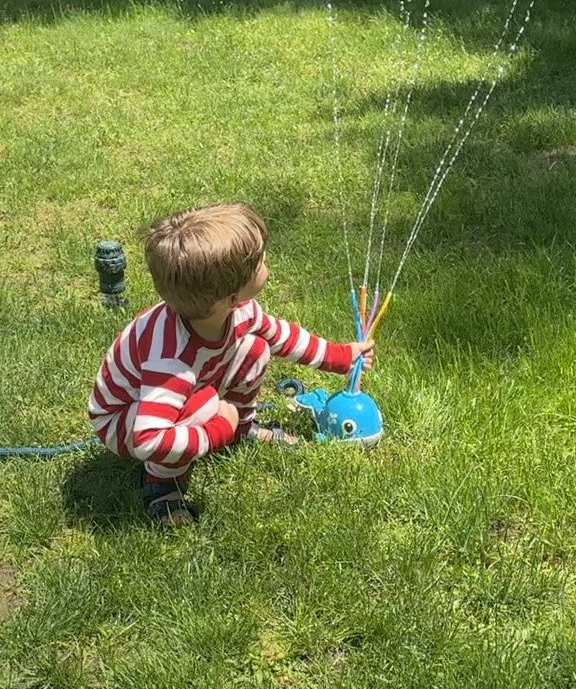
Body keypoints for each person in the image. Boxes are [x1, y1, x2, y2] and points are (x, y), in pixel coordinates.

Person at [89, 202, 373, 527]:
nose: (266, 262)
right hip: (123, 421)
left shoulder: (238, 311)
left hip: (170, 400)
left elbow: (283, 337)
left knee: (255, 349)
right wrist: (216, 431)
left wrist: (342, 357)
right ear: (231, 297)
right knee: (204, 404)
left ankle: (242, 428)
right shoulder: (170, 360)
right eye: (260, 262)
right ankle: (162, 486)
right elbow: (148, 439)